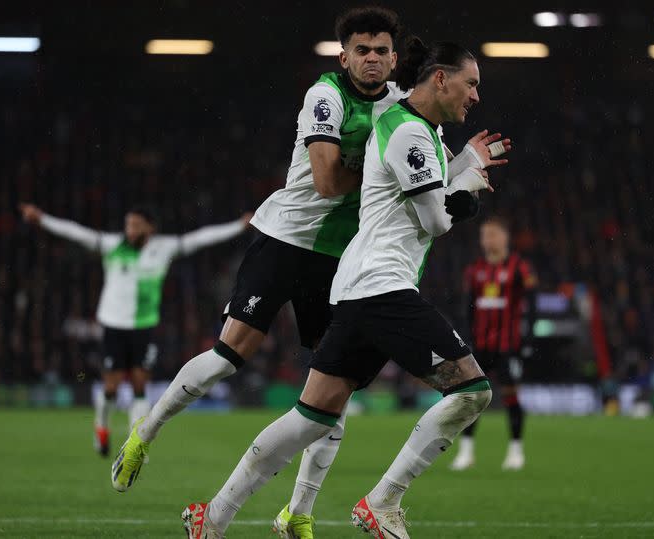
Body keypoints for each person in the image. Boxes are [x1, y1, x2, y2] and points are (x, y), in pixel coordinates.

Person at [179, 37, 511, 539]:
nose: (476, 96)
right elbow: (438, 220)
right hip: (382, 287)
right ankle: (383, 501)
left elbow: (433, 192)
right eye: (472, 83)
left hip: (357, 288)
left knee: (311, 418)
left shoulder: (410, 128)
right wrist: (468, 189)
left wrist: (467, 166)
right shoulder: (409, 135)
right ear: (440, 78)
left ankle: (214, 516)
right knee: (472, 390)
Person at [113, 7, 410, 539]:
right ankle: (145, 432)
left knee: (333, 387)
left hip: (339, 260)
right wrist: (388, 173)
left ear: (394, 58)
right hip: (284, 241)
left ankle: (297, 513)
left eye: (381, 51)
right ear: (344, 56)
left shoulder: (399, 107)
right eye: (361, 50)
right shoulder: (325, 96)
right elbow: (324, 181)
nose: (372, 59)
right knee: (230, 357)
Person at [18, 203, 252, 456]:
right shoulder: (112, 245)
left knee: (141, 385)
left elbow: (201, 238)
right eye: (128, 224)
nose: (130, 230)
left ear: (150, 228)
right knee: (111, 387)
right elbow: (75, 232)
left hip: (144, 327)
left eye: (136, 225)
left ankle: (133, 444)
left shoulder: (164, 248)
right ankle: (101, 428)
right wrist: (42, 219)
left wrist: (238, 226)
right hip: (113, 326)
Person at [449, 215, 538, 471]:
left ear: (504, 238)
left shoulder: (519, 267)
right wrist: (465, 338)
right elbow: (465, 308)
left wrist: (528, 339)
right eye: (484, 235)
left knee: (511, 396)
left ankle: (515, 451)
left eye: (492, 235)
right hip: (479, 346)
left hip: (508, 346)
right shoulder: (475, 270)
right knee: (472, 398)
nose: (488, 240)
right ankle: (466, 452)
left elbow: (531, 306)